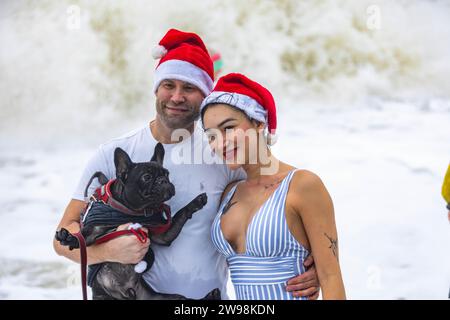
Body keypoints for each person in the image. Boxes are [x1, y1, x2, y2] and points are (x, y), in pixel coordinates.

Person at [53, 29, 320, 299]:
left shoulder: (224, 152)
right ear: (157, 88)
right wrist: (106, 252)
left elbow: (277, 203)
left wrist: (309, 265)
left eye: (189, 88)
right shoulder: (114, 154)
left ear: (205, 96)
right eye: (169, 85)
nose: (177, 97)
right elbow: (62, 236)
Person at [200, 73, 346, 299]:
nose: (220, 143)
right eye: (211, 136)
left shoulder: (302, 185)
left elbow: (331, 278)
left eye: (228, 128)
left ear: (258, 123)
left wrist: (319, 272)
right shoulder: (229, 193)